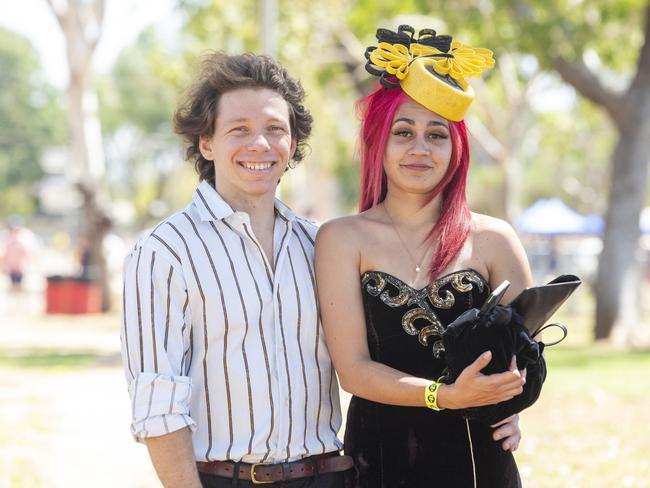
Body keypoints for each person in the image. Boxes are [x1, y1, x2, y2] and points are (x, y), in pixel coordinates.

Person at [120, 52, 353, 488]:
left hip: (328, 476)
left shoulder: (320, 244)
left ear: (293, 142)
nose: (260, 145)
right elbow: (158, 405)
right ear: (206, 143)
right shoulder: (164, 251)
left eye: (275, 130)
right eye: (239, 130)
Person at [315, 25, 532, 487]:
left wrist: (514, 408)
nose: (420, 148)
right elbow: (353, 370)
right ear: (379, 142)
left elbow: (529, 349)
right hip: (380, 456)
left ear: (457, 149)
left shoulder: (494, 238)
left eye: (437, 135)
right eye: (403, 131)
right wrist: (445, 396)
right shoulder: (340, 238)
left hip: (479, 458)